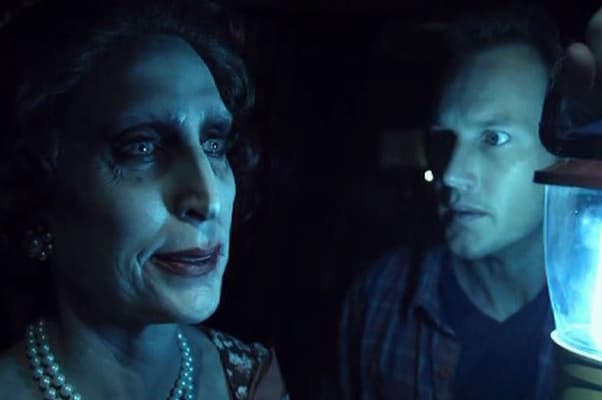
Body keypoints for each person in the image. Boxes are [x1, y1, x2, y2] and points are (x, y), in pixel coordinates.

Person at [0, 1, 289, 399]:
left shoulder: (254, 382)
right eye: (141, 147)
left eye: (214, 144)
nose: (208, 199)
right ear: (39, 188)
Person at [338, 7, 563, 400]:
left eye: (493, 138)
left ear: (561, 149)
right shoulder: (379, 296)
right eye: (443, 139)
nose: (451, 173)